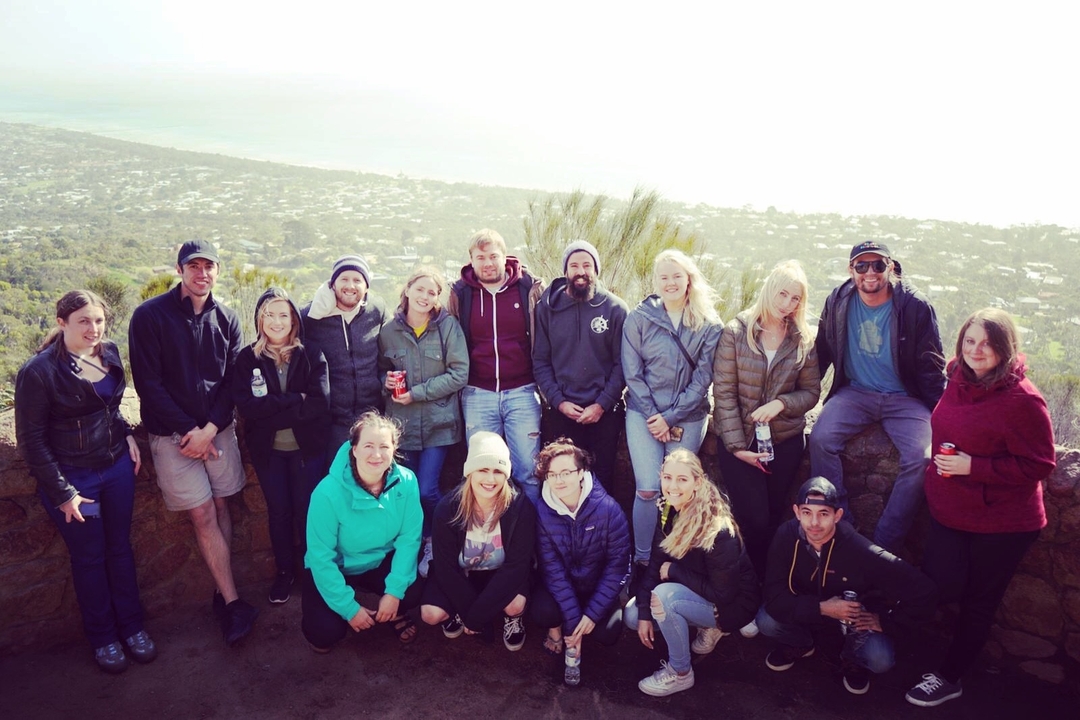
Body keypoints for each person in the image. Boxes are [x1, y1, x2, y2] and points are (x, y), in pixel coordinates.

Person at [905, 309, 1056, 708]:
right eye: (970, 341)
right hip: (950, 510)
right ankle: (918, 654)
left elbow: (1041, 465)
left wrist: (976, 467)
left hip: (1002, 522)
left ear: (1005, 349)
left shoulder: (1023, 400)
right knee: (938, 584)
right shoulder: (958, 378)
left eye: (987, 344)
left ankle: (950, 676)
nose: (976, 350)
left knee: (978, 601)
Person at [15, 290, 157, 673]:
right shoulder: (40, 371)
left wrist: (127, 432)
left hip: (115, 471)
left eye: (98, 320)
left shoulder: (108, 353)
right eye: (83, 321)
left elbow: (109, 408)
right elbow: (31, 441)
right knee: (90, 559)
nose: (93, 329)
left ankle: (132, 628)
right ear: (62, 323)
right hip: (75, 480)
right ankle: (104, 638)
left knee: (120, 550)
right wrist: (63, 493)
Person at [128, 239, 258, 645]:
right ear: (180, 269)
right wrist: (190, 431)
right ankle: (235, 603)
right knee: (202, 513)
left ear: (218, 271)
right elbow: (148, 384)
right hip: (173, 437)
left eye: (209, 266)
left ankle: (222, 592)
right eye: (194, 266)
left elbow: (234, 381)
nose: (202, 273)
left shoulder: (228, 318)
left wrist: (209, 429)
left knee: (222, 504)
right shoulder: (150, 317)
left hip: (216, 432)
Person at [809, 240, 945, 552]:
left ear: (891, 267)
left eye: (878, 265)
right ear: (851, 270)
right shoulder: (838, 300)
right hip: (855, 392)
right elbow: (822, 353)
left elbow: (930, 365)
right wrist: (796, 398)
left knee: (922, 457)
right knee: (820, 440)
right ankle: (842, 526)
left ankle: (885, 542)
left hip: (905, 398)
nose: (869, 273)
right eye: (861, 266)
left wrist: (942, 415)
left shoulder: (914, 307)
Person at [758, 477, 936, 696]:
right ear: (796, 512)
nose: (814, 523)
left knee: (880, 659)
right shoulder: (786, 536)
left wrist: (887, 621)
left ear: (837, 515)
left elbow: (924, 591)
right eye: (806, 513)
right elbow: (773, 595)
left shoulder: (859, 549)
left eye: (823, 514)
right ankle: (801, 643)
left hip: (852, 624)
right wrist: (822, 608)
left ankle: (852, 660)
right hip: (807, 613)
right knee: (766, 620)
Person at [713, 259, 821, 579]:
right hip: (739, 442)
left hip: (784, 440)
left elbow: (811, 393)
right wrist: (737, 448)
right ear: (769, 289)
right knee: (753, 518)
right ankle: (742, 583)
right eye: (782, 294)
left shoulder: (802, 338)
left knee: (773, 517)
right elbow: (724, 394)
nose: (787, 304)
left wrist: (781, 404)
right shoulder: (736, 331)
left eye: (795, 298)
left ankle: (764, 587)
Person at [626, 449, 760, 697]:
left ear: (698, 482)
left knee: (665, 597)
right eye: (667, 477)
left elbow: (724, 593)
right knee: (634, 617)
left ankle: (680, 673)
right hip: (698, 588)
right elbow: (657, 562)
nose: (672, 486)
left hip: (734, 604)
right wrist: (645, 612)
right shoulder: (668, 508)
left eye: (682, 479)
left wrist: (674, 571)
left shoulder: (717, 530)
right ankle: (705, 624)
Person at [623, 249, 722, 577]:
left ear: (689, 279)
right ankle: (640, 560)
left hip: (689, 416)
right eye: (663, 277)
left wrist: (671, 417)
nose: (670, 283)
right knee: (649, 488)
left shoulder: (709, 325)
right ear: (655, 281)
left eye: (677, 276)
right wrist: (655, 416)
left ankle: (673, 556)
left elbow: (702, 379)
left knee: (680, 490)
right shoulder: (638, 319)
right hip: (643, 413)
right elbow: (632, 373)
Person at [233, 287, 330, 605]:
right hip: (269, 452)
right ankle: (284, 573)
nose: (276, 321)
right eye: (269, 314)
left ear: (294, 320)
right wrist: (292, 400)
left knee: (307, 513)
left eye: (283, 315)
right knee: (279, 513)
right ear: (260, 319)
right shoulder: (248, 358)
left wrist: (273, 407)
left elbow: (319, 403)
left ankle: (310, 572)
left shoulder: (312, 354)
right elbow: (248, 407)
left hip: (307, 451)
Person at [302, 411, 423, 652]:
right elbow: (320, 557)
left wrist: (394, 592)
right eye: (368, 445)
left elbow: (410, 539)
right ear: (353, 449)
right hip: (337, 566)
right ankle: (344, 611)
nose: (376, 455)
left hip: (379, 561)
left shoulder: (407, 482)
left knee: (415, 592)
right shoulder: (326, 493)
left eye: (383, 446)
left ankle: (391, 610)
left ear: (394, 449)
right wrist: (349, 609)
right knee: (324, 633)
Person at [379, 267, 469, 577]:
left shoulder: (448, 327)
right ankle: (413, 544)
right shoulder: (388, 330)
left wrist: (417, 393)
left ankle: (442, 539)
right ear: (407, 290)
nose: (425, 297)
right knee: (405, 492)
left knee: (427, 490)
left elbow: (459, 374)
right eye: (420, 289)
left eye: (432, 292)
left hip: (439, 424)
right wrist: (386, 382)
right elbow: (380, 370)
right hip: (401, 426)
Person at [448, 229, 545, 504]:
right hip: (477, 394)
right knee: (482, 471)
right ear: (471, 260)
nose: (488, 263)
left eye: (493, 256)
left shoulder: (528, 288)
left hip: (523, 392)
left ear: (505, 257)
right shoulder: (461, 294)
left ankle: (533, 539)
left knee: (527, 471)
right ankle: (489, 536)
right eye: (481, 257)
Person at [420, 432, 536, 652]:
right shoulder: (448, 508)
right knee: (430, 613)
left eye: (498, 471)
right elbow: (446, 569)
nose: (490, 480)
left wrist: (476, 617)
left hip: (500, 573)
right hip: (463, 573)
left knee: (515, 605)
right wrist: (471, 613)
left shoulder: (520, 508)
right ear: (469, 472)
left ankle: (508, 618)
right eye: (483, 469)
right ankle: (457, 611)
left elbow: (516, 567)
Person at [531, 438, 631, 686]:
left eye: (566, 472)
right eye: (552, 474)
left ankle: (575, 633)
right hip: (560, 588)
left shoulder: (609, 510)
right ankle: (559, 632)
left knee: (608, 632)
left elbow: (618, 567)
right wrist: (575, 626)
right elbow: (552, 571)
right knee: (541, 611)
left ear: (582, 472)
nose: (559, 480)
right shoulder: (542, 513)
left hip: (595, 587)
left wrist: (592, 614)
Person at [533, 240, 628, 488]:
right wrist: (559, 401)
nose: (581, 271)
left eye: (587, 264)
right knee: (562, 479)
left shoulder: (615, 309)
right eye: (574, 265)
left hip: (604, 412)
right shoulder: (546, 308)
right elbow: (541, 361)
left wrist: (601, 404)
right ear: (566, 271)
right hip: (562, 410)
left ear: (596, 269)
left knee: (601, 478)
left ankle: (602, 526)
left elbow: (623, 365)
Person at [301, 254, 388, 454]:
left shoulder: (377, 310)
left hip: (371, 416)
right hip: (332, 420)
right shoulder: (312, 315)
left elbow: (392, 346)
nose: (350, 285)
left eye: (358, 280)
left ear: (366, 286)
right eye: (344, 279)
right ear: (332, 284)